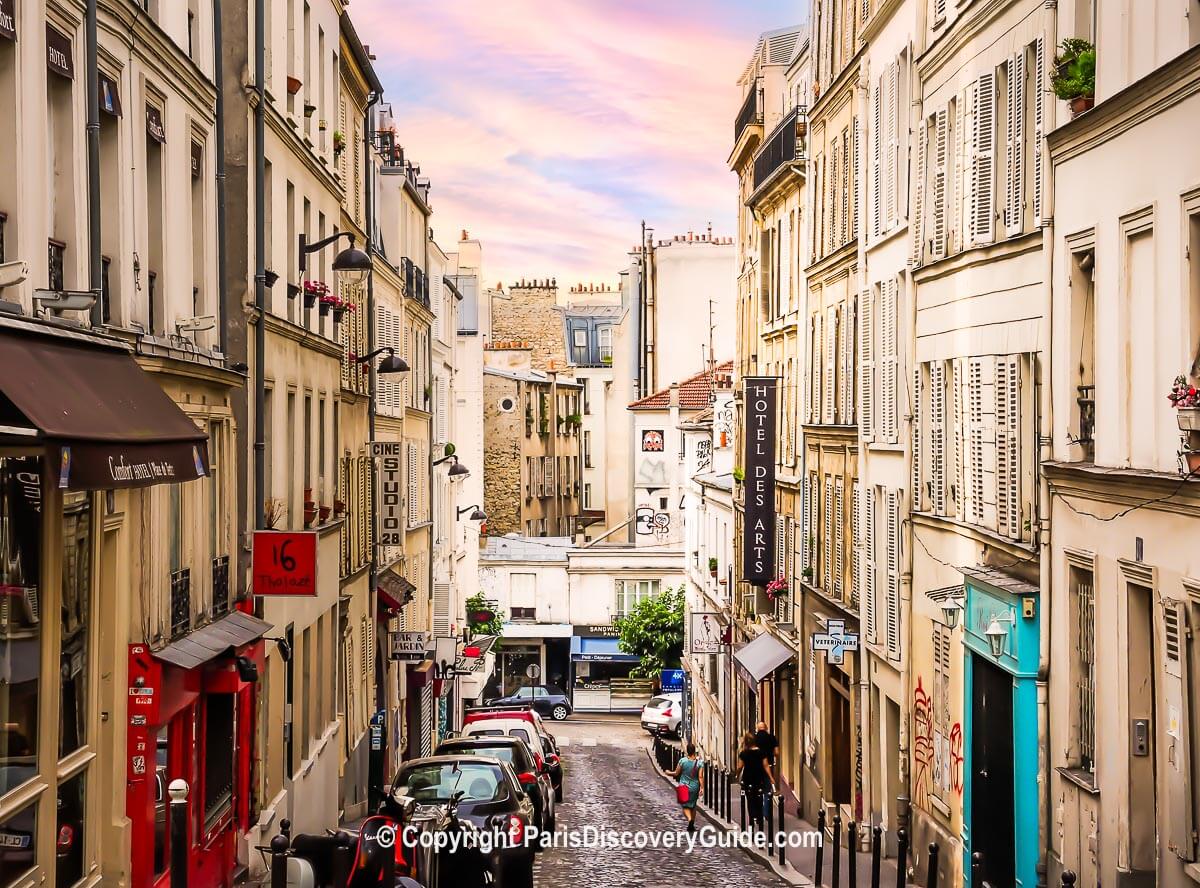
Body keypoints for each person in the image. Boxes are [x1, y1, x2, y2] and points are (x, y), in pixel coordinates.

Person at [737, 731, 774, 833]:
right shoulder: (761, 752)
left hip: (748, 779)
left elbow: (740, 766)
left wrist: (737, 774)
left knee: (750, 801)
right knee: (759, 798)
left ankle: (751, 822)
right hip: (759, 779)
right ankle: (759, 817)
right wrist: (771, 777)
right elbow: (766, 765)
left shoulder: (744, 753)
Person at [671, 743, 704, 833]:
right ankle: (692, 825)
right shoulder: (699, 763)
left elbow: (676, 773)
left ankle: (690, 820)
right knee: (693, 805)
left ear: (687, 751)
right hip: (694, 787)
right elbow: (700, 777)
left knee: (685, 806)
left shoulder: (682, 761)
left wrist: (668, 772)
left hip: (683, 786)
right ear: (694, 751)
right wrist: (702, 788)